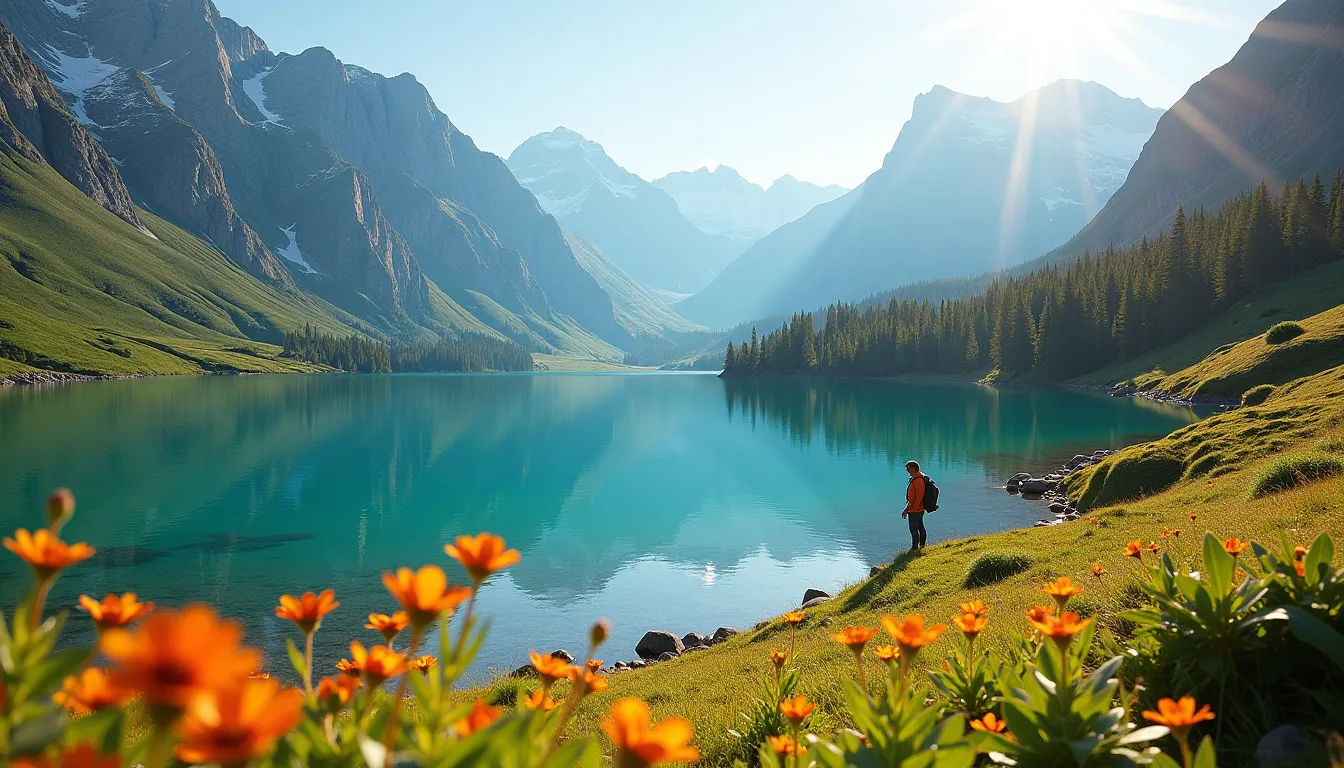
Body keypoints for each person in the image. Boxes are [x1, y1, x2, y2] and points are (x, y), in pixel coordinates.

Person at [901, 460, 928, 550]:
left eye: (908, 468)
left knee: (914, 529)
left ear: (913, 468)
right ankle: (921, 545)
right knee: (920, 526)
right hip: (917, 509)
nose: (907, 470)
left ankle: (915, 547)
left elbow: (919, 496)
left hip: (915, 510)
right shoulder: (917, 478)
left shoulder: (918, 480)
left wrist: (909, 509)